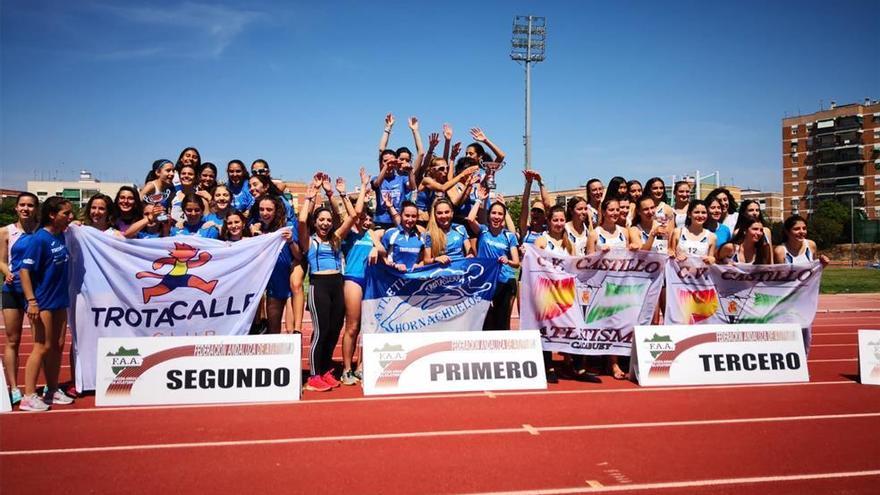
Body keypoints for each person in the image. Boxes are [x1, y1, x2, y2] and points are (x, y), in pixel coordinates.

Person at [298, 177, 362, 392]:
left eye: (328, 220)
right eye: (321, 220)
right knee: (321, 330)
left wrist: (336, 194)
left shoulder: (335, 238)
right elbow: (301, 220)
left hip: (337, 284)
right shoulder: (309, 241)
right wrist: (310, 196)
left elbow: (353, 216)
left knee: (334, 330)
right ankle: (314, 375)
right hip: (319, 285)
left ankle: (325, 370)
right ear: (315, 223)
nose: (325, 223)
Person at [19, 197, 75, 411]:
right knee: (41, 347)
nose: (70, 217)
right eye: (66, 214)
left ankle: (51, 390)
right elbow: (24, 271)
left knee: (58, 346)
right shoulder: (39, 239)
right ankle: (29, 395)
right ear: (52, 215)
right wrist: (32, 301)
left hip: (60, 299)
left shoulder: (61, 235)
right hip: (42, 301)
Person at [339, 170, 376, 385]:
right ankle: (346, 369)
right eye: (364, 217)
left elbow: (381, 250)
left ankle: (362, 366)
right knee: (352, 326)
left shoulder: (374, 234)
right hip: (353, 279)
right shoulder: (349, 235)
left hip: (371, 282)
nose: (367, 220)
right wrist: (362, 187)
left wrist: (376, 248)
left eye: (370, 217)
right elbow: (355, 213)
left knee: (368, 328)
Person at [1, 193, 39, 406]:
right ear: (16, 208)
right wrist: (6, 271)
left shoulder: (41, 231)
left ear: (36, 208)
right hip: (12, 291)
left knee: (38, 341)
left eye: (30, 205)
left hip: (36, 291)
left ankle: (30, 387)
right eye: (22, 205)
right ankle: (14, 387)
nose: (26, 208)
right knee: (12, 339)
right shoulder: (6, 232)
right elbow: (1, 259)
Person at [466, 187, 520, 331]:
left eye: (500, 214)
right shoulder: (483, 231)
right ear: (489, 216)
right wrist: (479, 199)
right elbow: (470, 219)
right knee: (484, 320)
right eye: (494, 213)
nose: (496, 216)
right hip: (485, 282)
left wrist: (507, 260)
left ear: (503, 217)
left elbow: (516, 263)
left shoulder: (509, 236)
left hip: (504, 282)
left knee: (502, 322)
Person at [587, 198, 629, 380]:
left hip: (621, 284)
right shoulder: (594, 234)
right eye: (611, 210)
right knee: (600, 324)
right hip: (601, 285)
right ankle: (601, 361)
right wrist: (598, 254)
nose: (614, 213)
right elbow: (586, 262)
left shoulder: (624, 232)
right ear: (603, 212)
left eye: (617, 209)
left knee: (618, 323)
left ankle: (614, 362)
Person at [250, 196, 299, 334]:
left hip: (288, 284)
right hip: (272, 285)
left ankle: (292, 356)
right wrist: (256, 238)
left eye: (269, 209)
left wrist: (290, 241)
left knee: (292, 330)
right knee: (273, 329)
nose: (265, 213)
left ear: (276, 210)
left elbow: (299, 256)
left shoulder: (287, 228)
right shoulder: (255, 230)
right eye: (261, 209)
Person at [378, 201, 425, 271]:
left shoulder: (421, 236)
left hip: (414, 279)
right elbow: (381, 258)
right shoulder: (390, 234)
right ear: (400, 215)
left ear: (417, 217)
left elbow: (424, 259)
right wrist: (395, 266)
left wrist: (420, 265)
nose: (410, 219)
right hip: (393, 278)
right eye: (407, 215)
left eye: (414, 216)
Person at [423, 198, 472, 264]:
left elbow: (469, 251)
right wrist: (436, 259)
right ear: (435, 215)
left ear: (452, 213)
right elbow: (426, 261)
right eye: (439, 213)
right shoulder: (430, 233)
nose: (444, 216)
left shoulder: (460, 228)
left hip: (460, 268)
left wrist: (470, 256)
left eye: (447, 212)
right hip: (442, 271)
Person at [669, 200, 717, 264]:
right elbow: (671, 253)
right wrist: (675, 257)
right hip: (678, 272)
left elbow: (711, 258)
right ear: (689, 214)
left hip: (700, 273)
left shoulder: (712, 236)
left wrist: (712, 260)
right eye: (696, 212)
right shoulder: (678, 232)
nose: (700, 215)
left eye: (703, 212)